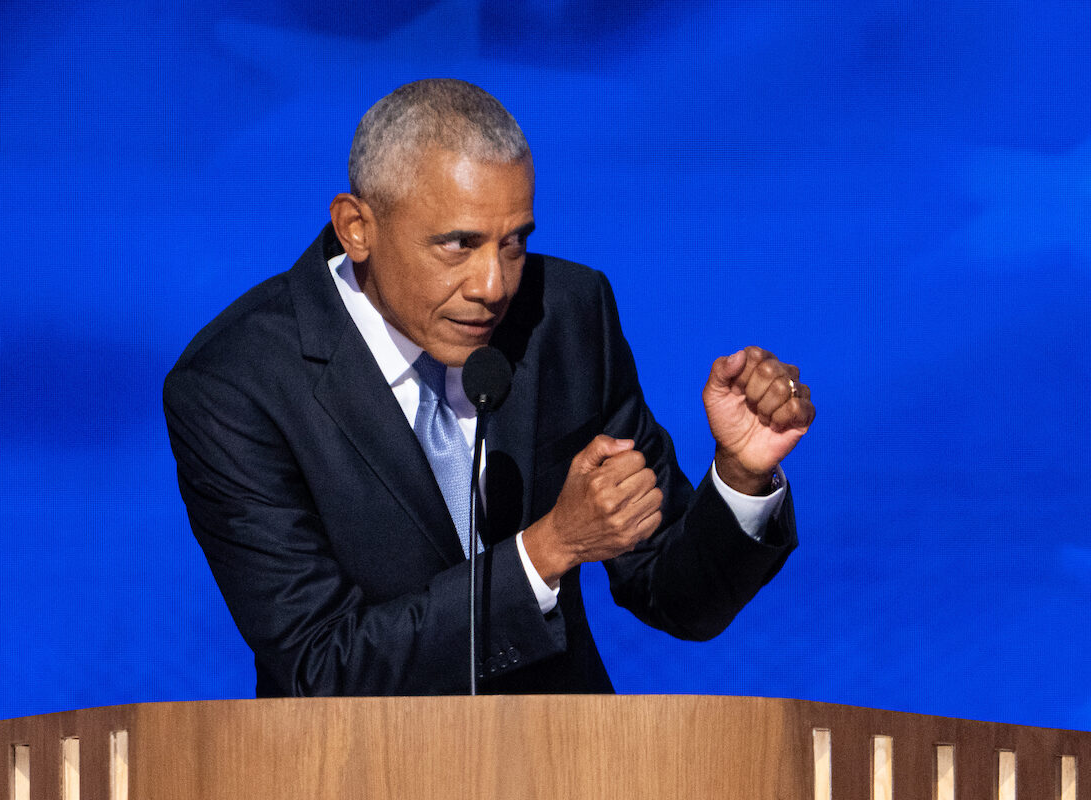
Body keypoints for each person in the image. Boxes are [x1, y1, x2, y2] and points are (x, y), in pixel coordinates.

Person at [163, 79, 815, 696]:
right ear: (356, 227)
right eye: (459, 245)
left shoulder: (565, 315)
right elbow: (321, 666)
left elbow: (679, 599)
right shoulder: (235, 384)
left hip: (563, 767)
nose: (493, 286)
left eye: (514, 243)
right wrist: (547, 550)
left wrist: (740, 476)